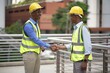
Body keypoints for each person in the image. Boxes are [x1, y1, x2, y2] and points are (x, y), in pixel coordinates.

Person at [20, 2, 57, 73]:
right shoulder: (28, 25)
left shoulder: (35, 24)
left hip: (35, 53)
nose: (40, 13)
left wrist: (41, 46)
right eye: (38, 12)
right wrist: (49, 46)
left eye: (40, 11)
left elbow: (37, 39)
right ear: (32, 13)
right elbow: (35, 39)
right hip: (29, 54)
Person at [56, 6, 93, 73]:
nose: (70, 18)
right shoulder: (76, 29)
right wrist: (60, 47)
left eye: (71, 16)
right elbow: (74, 45)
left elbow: (88, 46)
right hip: (77, 60)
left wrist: (85, 61)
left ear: (76, 16)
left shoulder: (83, 28)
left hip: (81, 61)